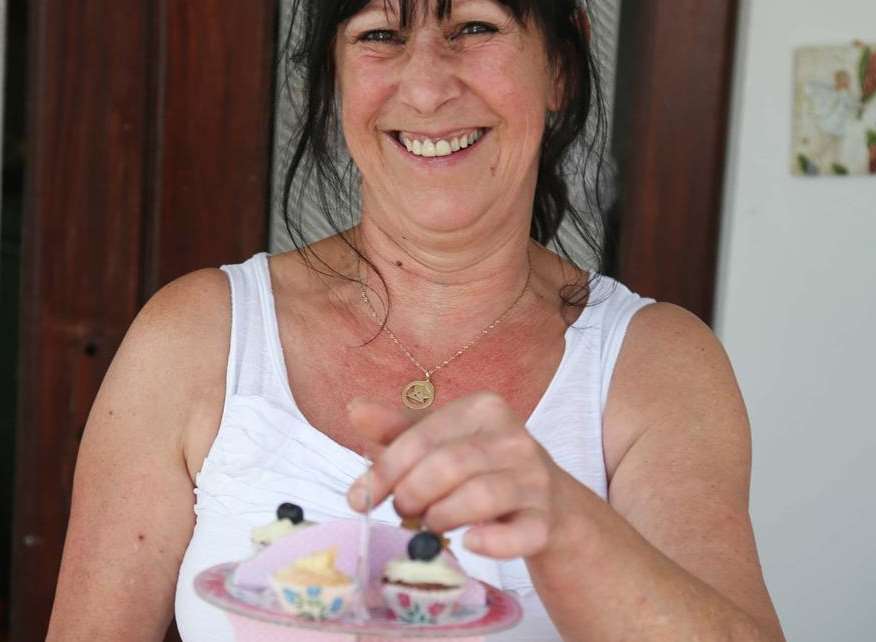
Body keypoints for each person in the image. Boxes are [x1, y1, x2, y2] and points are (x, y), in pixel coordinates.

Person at [46, 1, 786, 640]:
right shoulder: (198, 335)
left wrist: (564, 523)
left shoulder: (654, 363)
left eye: (474, 25)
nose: (427, 88)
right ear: (336, 77)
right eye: (379, 34)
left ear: (560, 64)